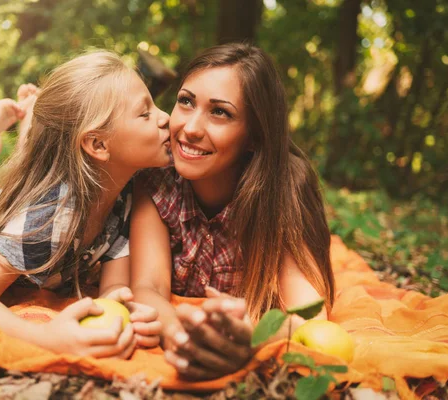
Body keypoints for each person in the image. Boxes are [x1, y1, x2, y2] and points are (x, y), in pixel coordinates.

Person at [0, 50, 170, 359]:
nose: (166, 118)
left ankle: (28, 130)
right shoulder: (51, 218)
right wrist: (44, 337)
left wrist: (121, 307)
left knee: (27, 193)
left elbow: (114, 285)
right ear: (98, 144)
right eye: (145, 113)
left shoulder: (127, 195)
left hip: (22, 207)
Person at [130, 43, 336, 379]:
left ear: (254, 136)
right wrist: (181, 338)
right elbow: (148, 286)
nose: (191, 128)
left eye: (220, 112)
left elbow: (308, 315)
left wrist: (253, 344)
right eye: (186, 101)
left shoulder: (285, 189)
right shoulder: (155, 177)